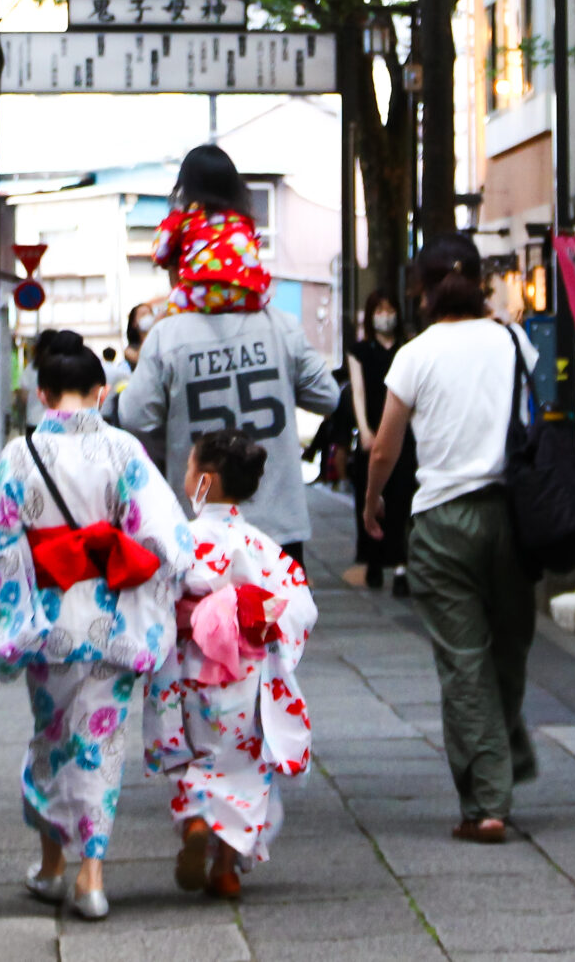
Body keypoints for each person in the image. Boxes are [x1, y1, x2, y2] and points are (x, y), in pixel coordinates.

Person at [0, 330, 190, 923]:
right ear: (101, 391)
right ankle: (90, 876)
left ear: (44, 394)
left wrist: (15, 612)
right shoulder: (123, 450)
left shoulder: (18, 455)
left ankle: (52, 868)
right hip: (113, 622)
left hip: (48, 622)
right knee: (100, 745)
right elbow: (166, 537)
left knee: (51, 739)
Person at [364, 233, 538, 844]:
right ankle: (502, 767)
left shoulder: (416, 354)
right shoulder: (513, 341)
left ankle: (488, 801)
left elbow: (384, 447)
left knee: (465, 662)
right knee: (508, 651)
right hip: (512, 518)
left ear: (422, 291)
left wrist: (372, 499)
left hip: (441, 523)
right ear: (480, 282)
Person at [144, 431, 316, 900]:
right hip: (245, 674)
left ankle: (196, 820)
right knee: (243, 765)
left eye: (188, 468)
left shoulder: (181, 541)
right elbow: (298, 607)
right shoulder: (263, 546)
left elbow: (154, 596)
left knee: (196, 755)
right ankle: (225, 868)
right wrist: (253, 621)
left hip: (188, 670)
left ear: (205, 481)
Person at [117, 264, 341, 571]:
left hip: (198, 522)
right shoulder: (280, 326)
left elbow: (134, 417)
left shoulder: (166, 335)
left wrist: (172, 451)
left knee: (204, 602)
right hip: (278, 520)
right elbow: (327, 397)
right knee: (281, 601)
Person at [342, 294, 417, 595]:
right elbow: (357, 391)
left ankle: (401, 565)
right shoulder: (359, 351)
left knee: (402, 498)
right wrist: (364, 430)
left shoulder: (408, 349)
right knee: (369, 497)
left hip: (404, 432)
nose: (385, 315)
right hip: (371, 430)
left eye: (390, 309)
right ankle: (373, 559)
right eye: (380, 310)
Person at [151, 146, 272, 314]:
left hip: (203, 294)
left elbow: (160, 253)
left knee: (165, 313)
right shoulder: (243, 221)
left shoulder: (183, 218)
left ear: (186, 184)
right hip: (251, 296)